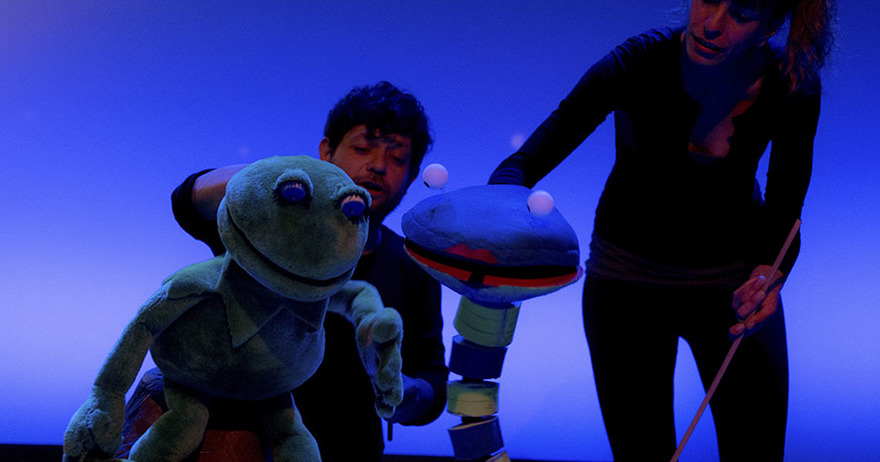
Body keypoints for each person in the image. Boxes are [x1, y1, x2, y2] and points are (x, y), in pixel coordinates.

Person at [488, 0, 834, 460]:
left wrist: (768, 272)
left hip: (734, 290)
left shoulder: (792, 83)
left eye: (741, 14)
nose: (712, 24)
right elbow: (526, 161)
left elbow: (786, 203)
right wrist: (485, 222)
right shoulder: (639, 61)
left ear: (770, 26)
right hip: (625, 287)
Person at [122, 81, 447, 462]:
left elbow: (432, 379)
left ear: (412, 175)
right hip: (236, 445)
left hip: (352, 449)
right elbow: (187, 200)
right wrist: (272, 178)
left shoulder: (413, 264)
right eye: (362, 148)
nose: (377, 165)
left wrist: (401, 392)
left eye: (397, 158)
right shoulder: (266, 228)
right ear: (326, 152)